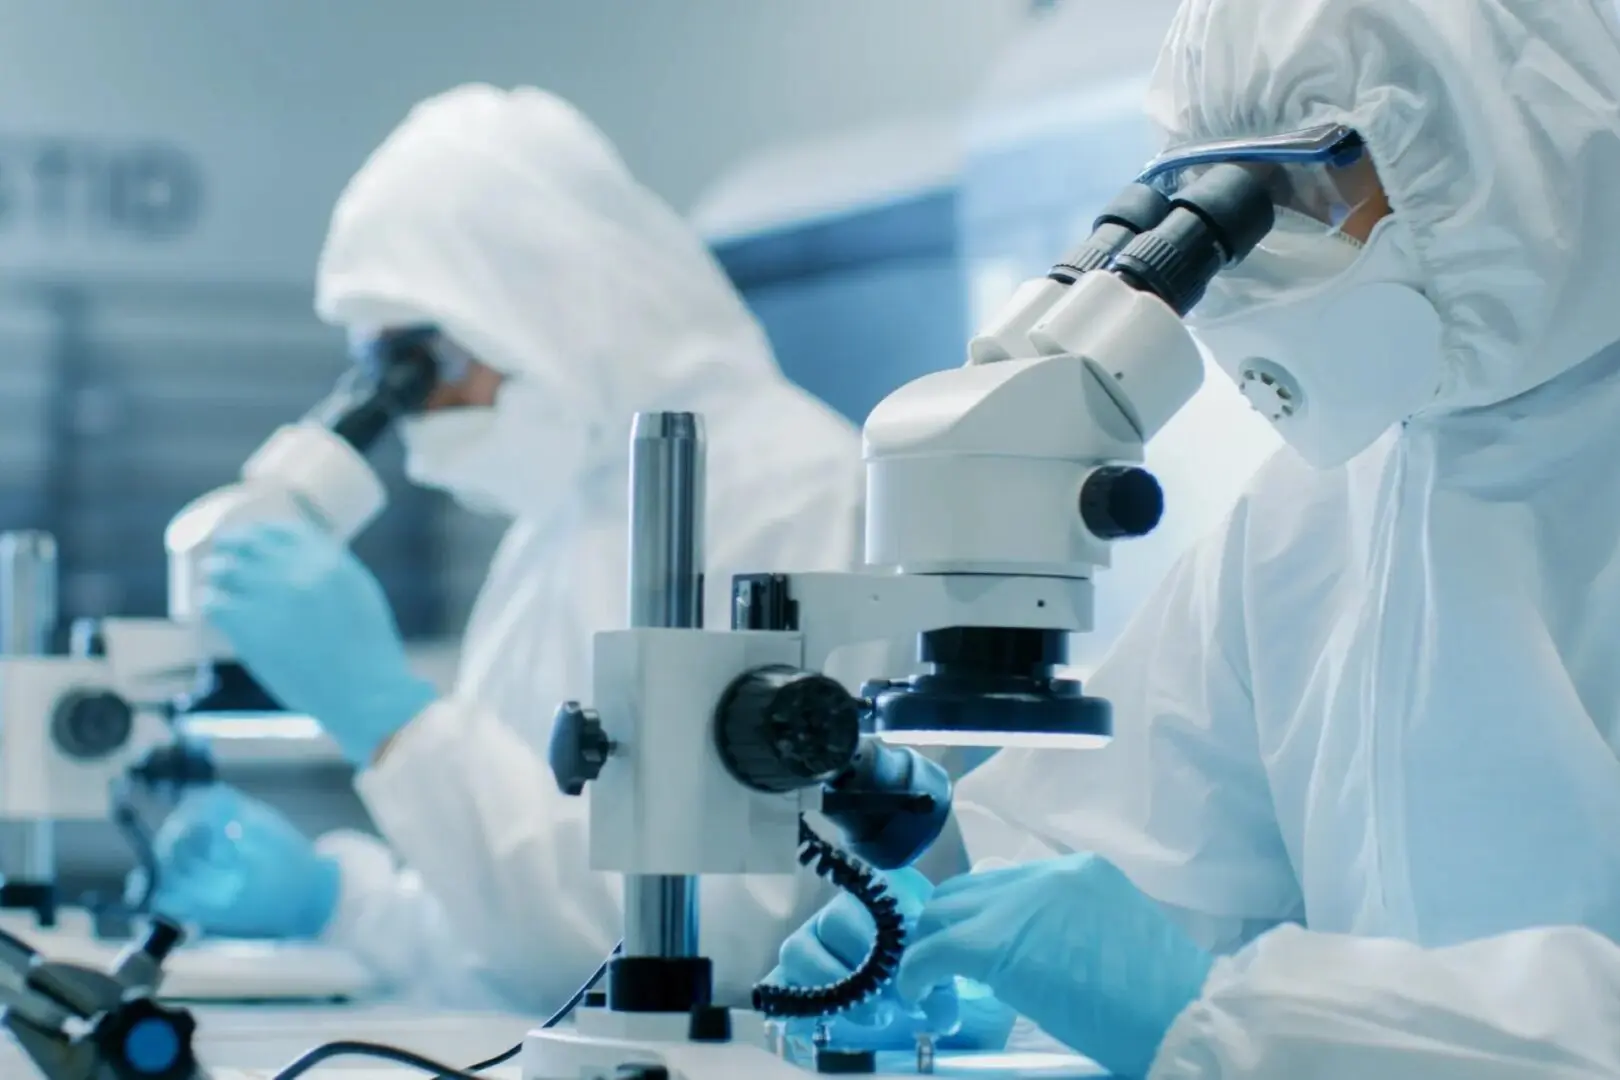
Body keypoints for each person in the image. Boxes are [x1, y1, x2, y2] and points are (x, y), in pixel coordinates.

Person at [770, 0, 1620, 1074]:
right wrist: (949, 932)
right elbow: (1134, 852)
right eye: (1216, 198)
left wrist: (1222, 1015)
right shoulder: (1317, 509)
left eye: (1308, 184)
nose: (1252, 264)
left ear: (1509, 135)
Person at [141, 84, 869, 1010]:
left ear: (547, 298)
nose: (419, 410)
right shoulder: (556, 529)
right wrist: (337, 902)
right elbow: (505, 946)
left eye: (427, 363)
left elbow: (711, 946)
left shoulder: (789, 494)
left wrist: (399, 724)